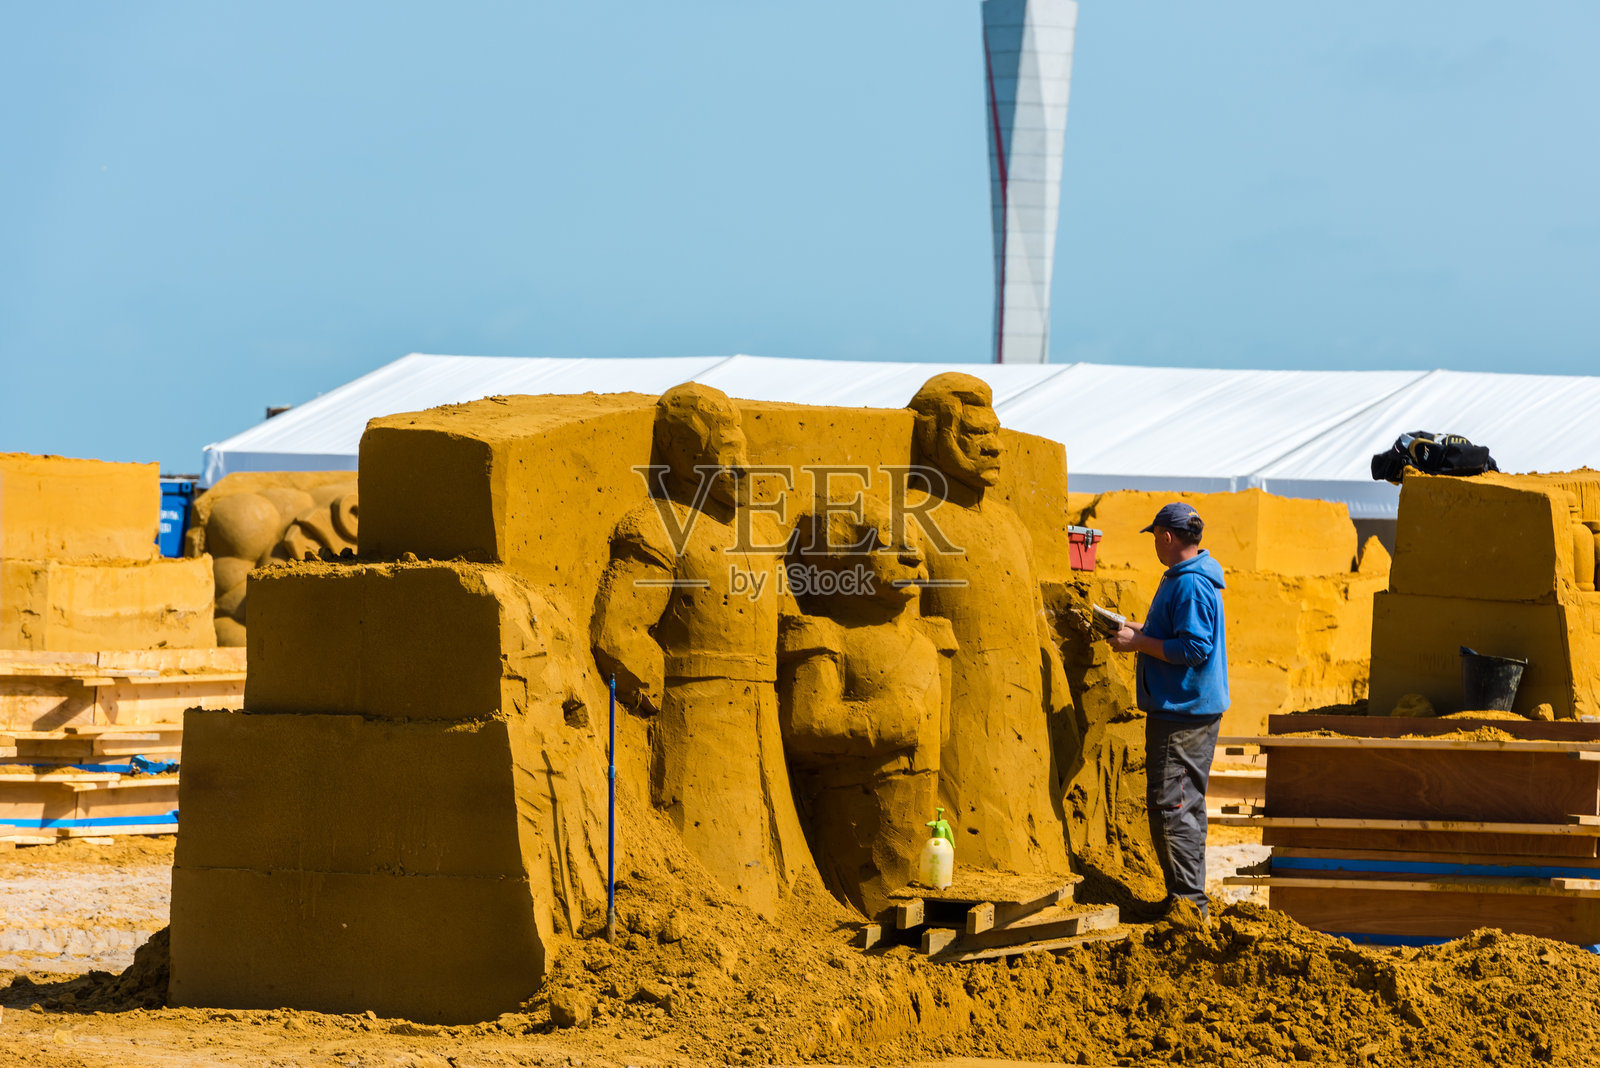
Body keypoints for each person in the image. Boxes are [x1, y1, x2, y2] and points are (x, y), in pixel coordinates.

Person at [1107, 502, 1228, 921]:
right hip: (1187, 710)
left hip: (1183, 714)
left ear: (1167, 536)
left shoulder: (1190, 584)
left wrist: (1138, 644)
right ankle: (1187, 901)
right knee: (1184, 806)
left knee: (1173, 808)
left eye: (1156, 537)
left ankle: (1188, 909)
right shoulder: (1187, 577)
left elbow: (1194, 648)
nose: (1155, 544)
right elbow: (1177, 634)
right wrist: (1133, 629)